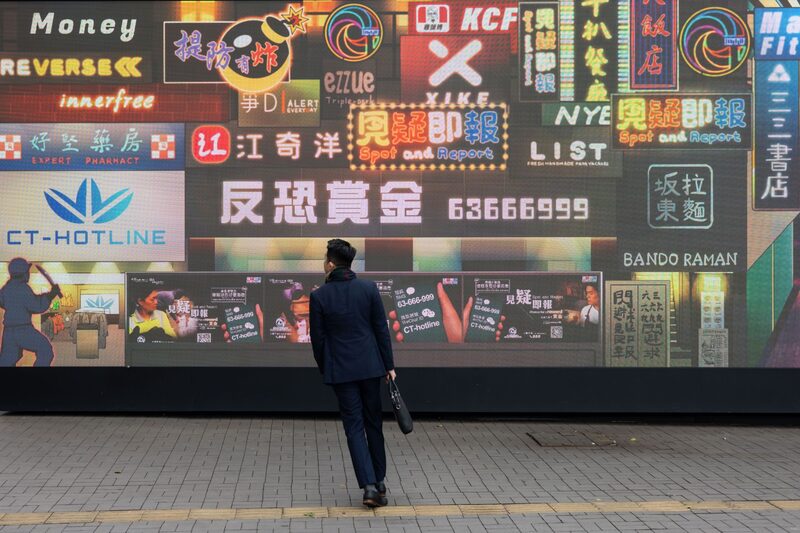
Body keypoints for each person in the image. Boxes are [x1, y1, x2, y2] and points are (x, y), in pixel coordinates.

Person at [310, 239, 395, 508]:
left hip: (342, 371)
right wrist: (389, 366)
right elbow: (381, 330)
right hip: (371, 367)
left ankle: (369, 486)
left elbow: (318, 341)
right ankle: (379, 482)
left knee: (354, 428)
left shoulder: (319, 296)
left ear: (331, 264)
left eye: (325, 259)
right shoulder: (368, 289)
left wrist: (328, 369)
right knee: (374, 423)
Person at [0, 258, 60, 367]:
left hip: (8, 331)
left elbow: (2, 302)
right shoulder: (23, 288)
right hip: (23, 330)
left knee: (7, 360)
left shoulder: (6, 288)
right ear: (24, 273)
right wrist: (51, 295)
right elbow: (37, 306)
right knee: (45, 350)